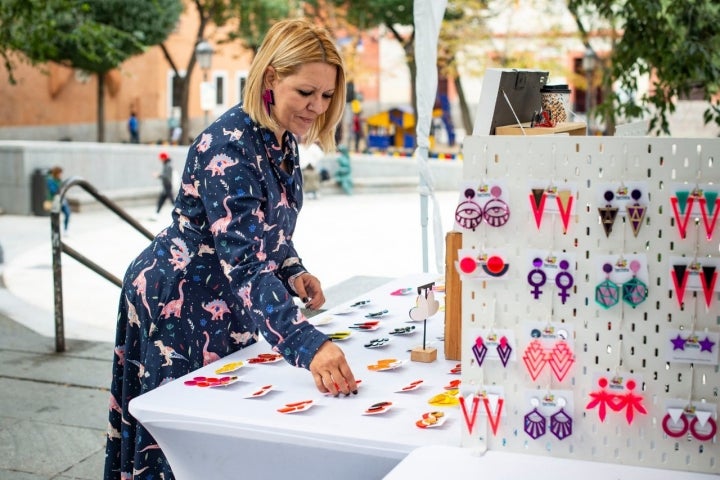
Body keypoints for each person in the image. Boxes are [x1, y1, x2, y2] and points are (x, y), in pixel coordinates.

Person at [104, 19, 357, 480]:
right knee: (181, 448)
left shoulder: (280, 136)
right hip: (180, 302)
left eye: (325, 96)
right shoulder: (232, 146)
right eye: (306, 92)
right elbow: (244, 266)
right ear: (271, 77)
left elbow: (267, 228)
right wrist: (308, 345)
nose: (316, 107)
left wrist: (292, 268)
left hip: (224, 301)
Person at [46, 166, 71, 233]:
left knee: (67, 213)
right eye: (59, 173)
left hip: (62, 200)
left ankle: (65, 229)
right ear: (56, 173)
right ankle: (56, 231)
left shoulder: (60, 181)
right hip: (55, 201)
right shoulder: (50, 181)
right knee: (55, 216)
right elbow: (53, 191)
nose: (61, 175)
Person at [154, 151, 174, 216]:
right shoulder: (166, 164)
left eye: (161, 158)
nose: (160, 160)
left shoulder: (168, 165)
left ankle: (180, 211)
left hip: (167, 185)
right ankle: (157, 213)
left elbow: (167, 176)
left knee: (171, 200)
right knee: (162, 200)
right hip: (166, 185)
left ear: (163, 158)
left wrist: (159, 175)